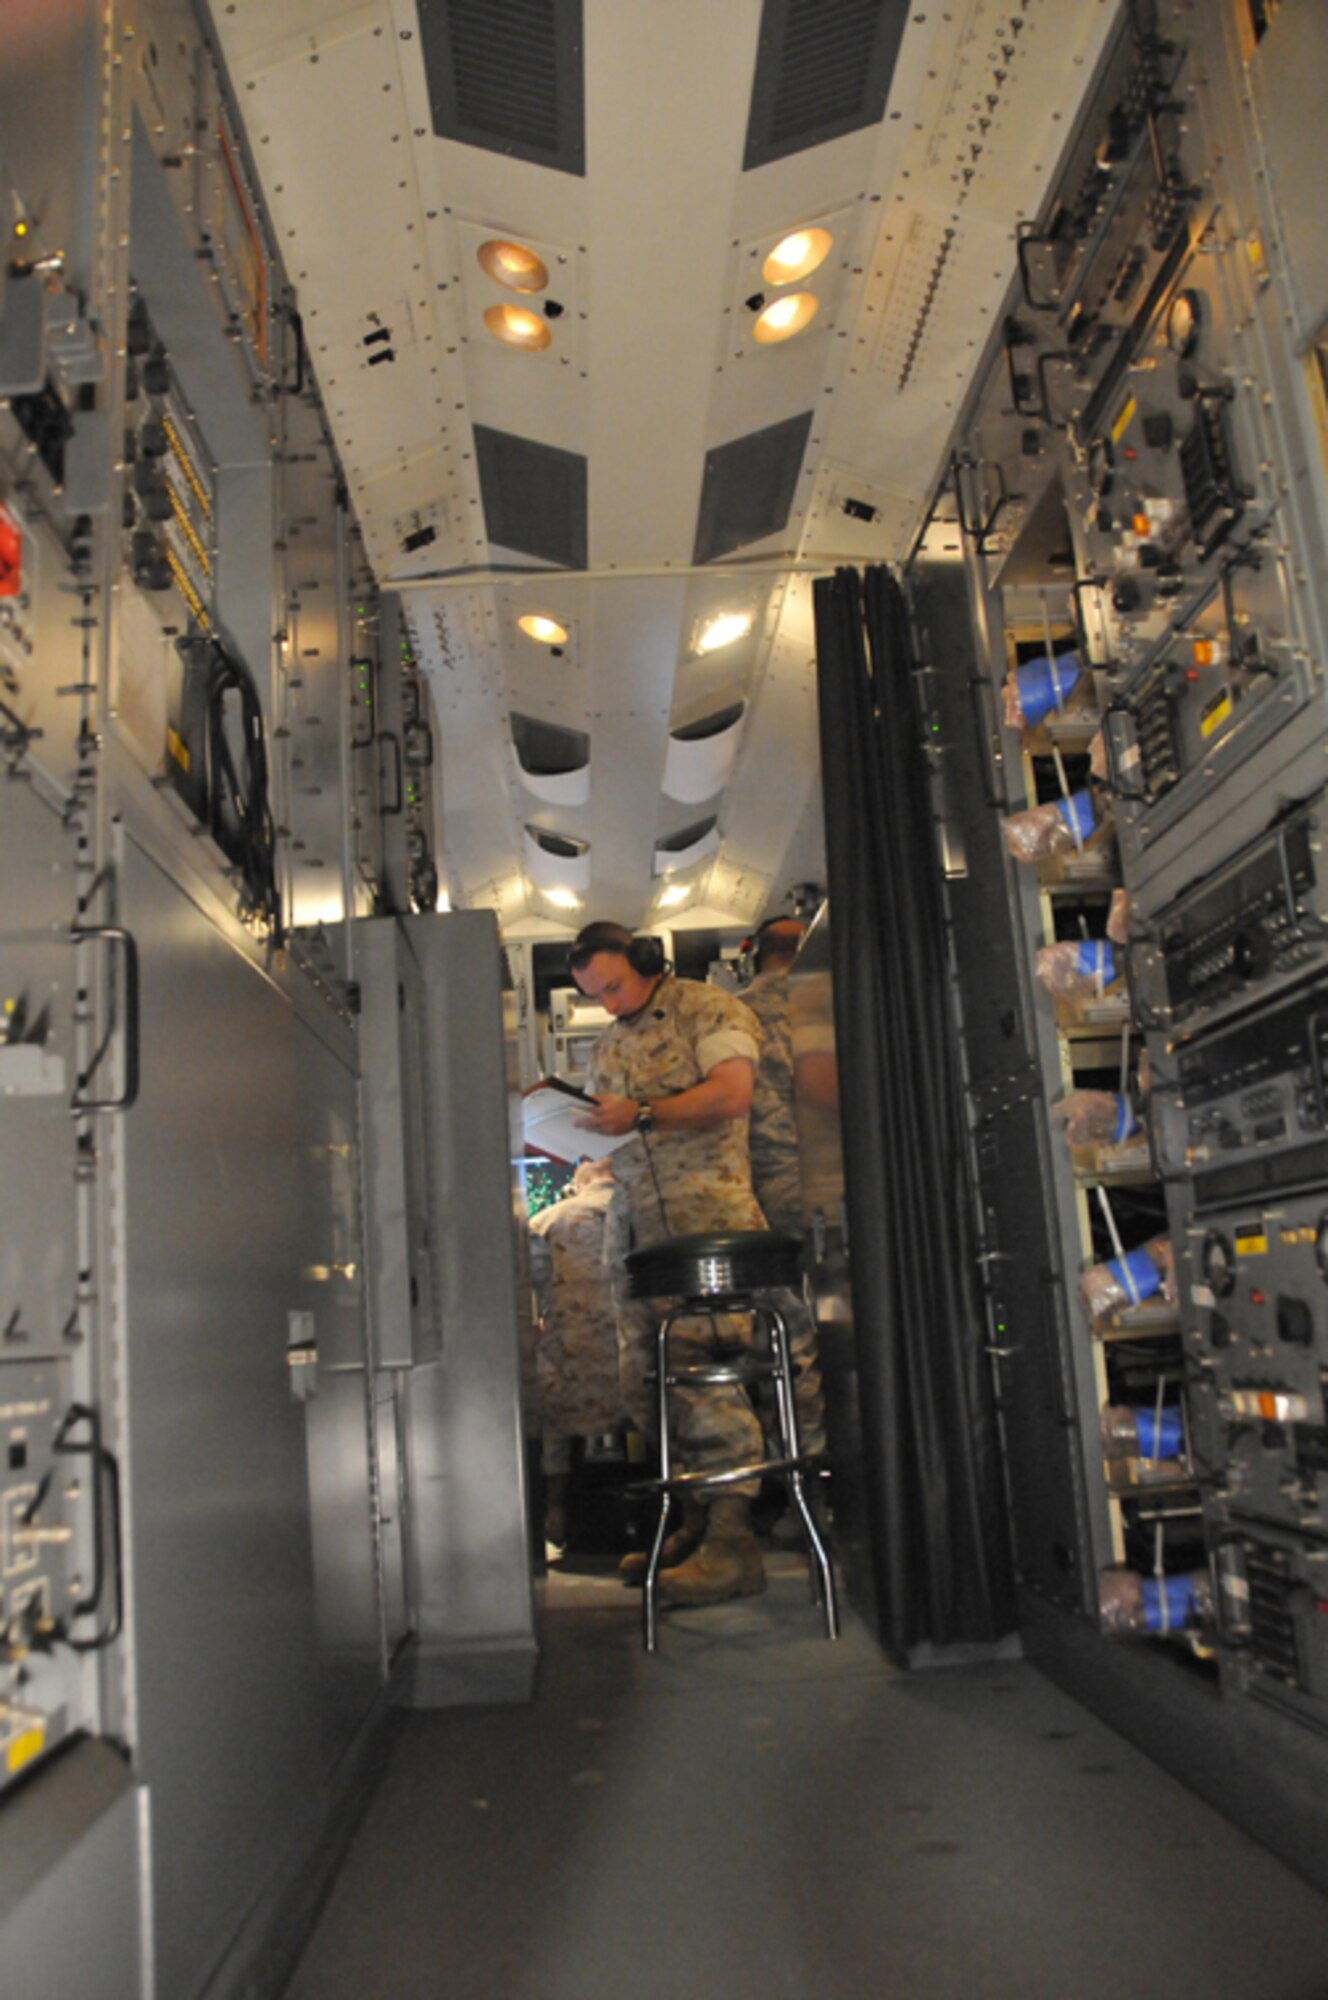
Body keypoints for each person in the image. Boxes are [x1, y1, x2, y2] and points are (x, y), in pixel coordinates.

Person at [568, 920, 768, 1606]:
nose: (609, 1003)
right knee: (645, 1377)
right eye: (593, 994)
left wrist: (643, 1113)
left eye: (614, 986)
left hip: (704, 1219)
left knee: (701, 1370)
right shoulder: (605, 1045)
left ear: (646, 959)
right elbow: (618, 1128)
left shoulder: (707, 1010)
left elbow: (730, 1094)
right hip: (636, 1224)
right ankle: (695, 1519)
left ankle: (734, 1539)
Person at [740, 916, 826, 1461]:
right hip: (837, 1184)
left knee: (787, 1340)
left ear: (756, 956)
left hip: (770, 1194)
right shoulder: (827, 1000)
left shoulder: (736, 1011)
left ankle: (805, 1476)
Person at [527, 1155, 621, 1559]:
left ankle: (555, 1508)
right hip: (634, 1370)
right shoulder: (638, 1212)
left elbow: (531, 1290)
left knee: (548, 1393)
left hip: (570, 1370)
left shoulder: (545, 1222)